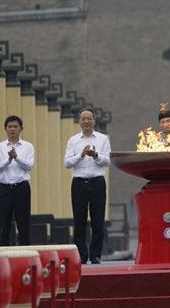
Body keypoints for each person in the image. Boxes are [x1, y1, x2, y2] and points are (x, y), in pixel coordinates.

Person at [64, 107, 111, 264]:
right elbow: (67, 163)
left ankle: (95, 254)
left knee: (98, 220)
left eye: (89, 118)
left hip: (97, 182)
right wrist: (81, 154)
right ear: (79, 122)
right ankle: (81, 255)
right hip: (79, 183)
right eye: (83, 119)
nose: (86, 121)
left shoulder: (103, 139)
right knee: (79, 220)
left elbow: (107, 161)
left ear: (94, 121)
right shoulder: (73, 140)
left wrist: (95, 155)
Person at [0, 116, 34, 246]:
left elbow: (29, 165)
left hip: (22, 187)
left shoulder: (28, 146)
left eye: (15, 127)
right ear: (5, 129)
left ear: (21, 129)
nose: (12, 129)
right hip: (5, 188)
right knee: (3, 223)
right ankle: (3, 253)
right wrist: (8, 160)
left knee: (23, 223)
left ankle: (25, 252)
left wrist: (16, 157)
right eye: (9, 127)